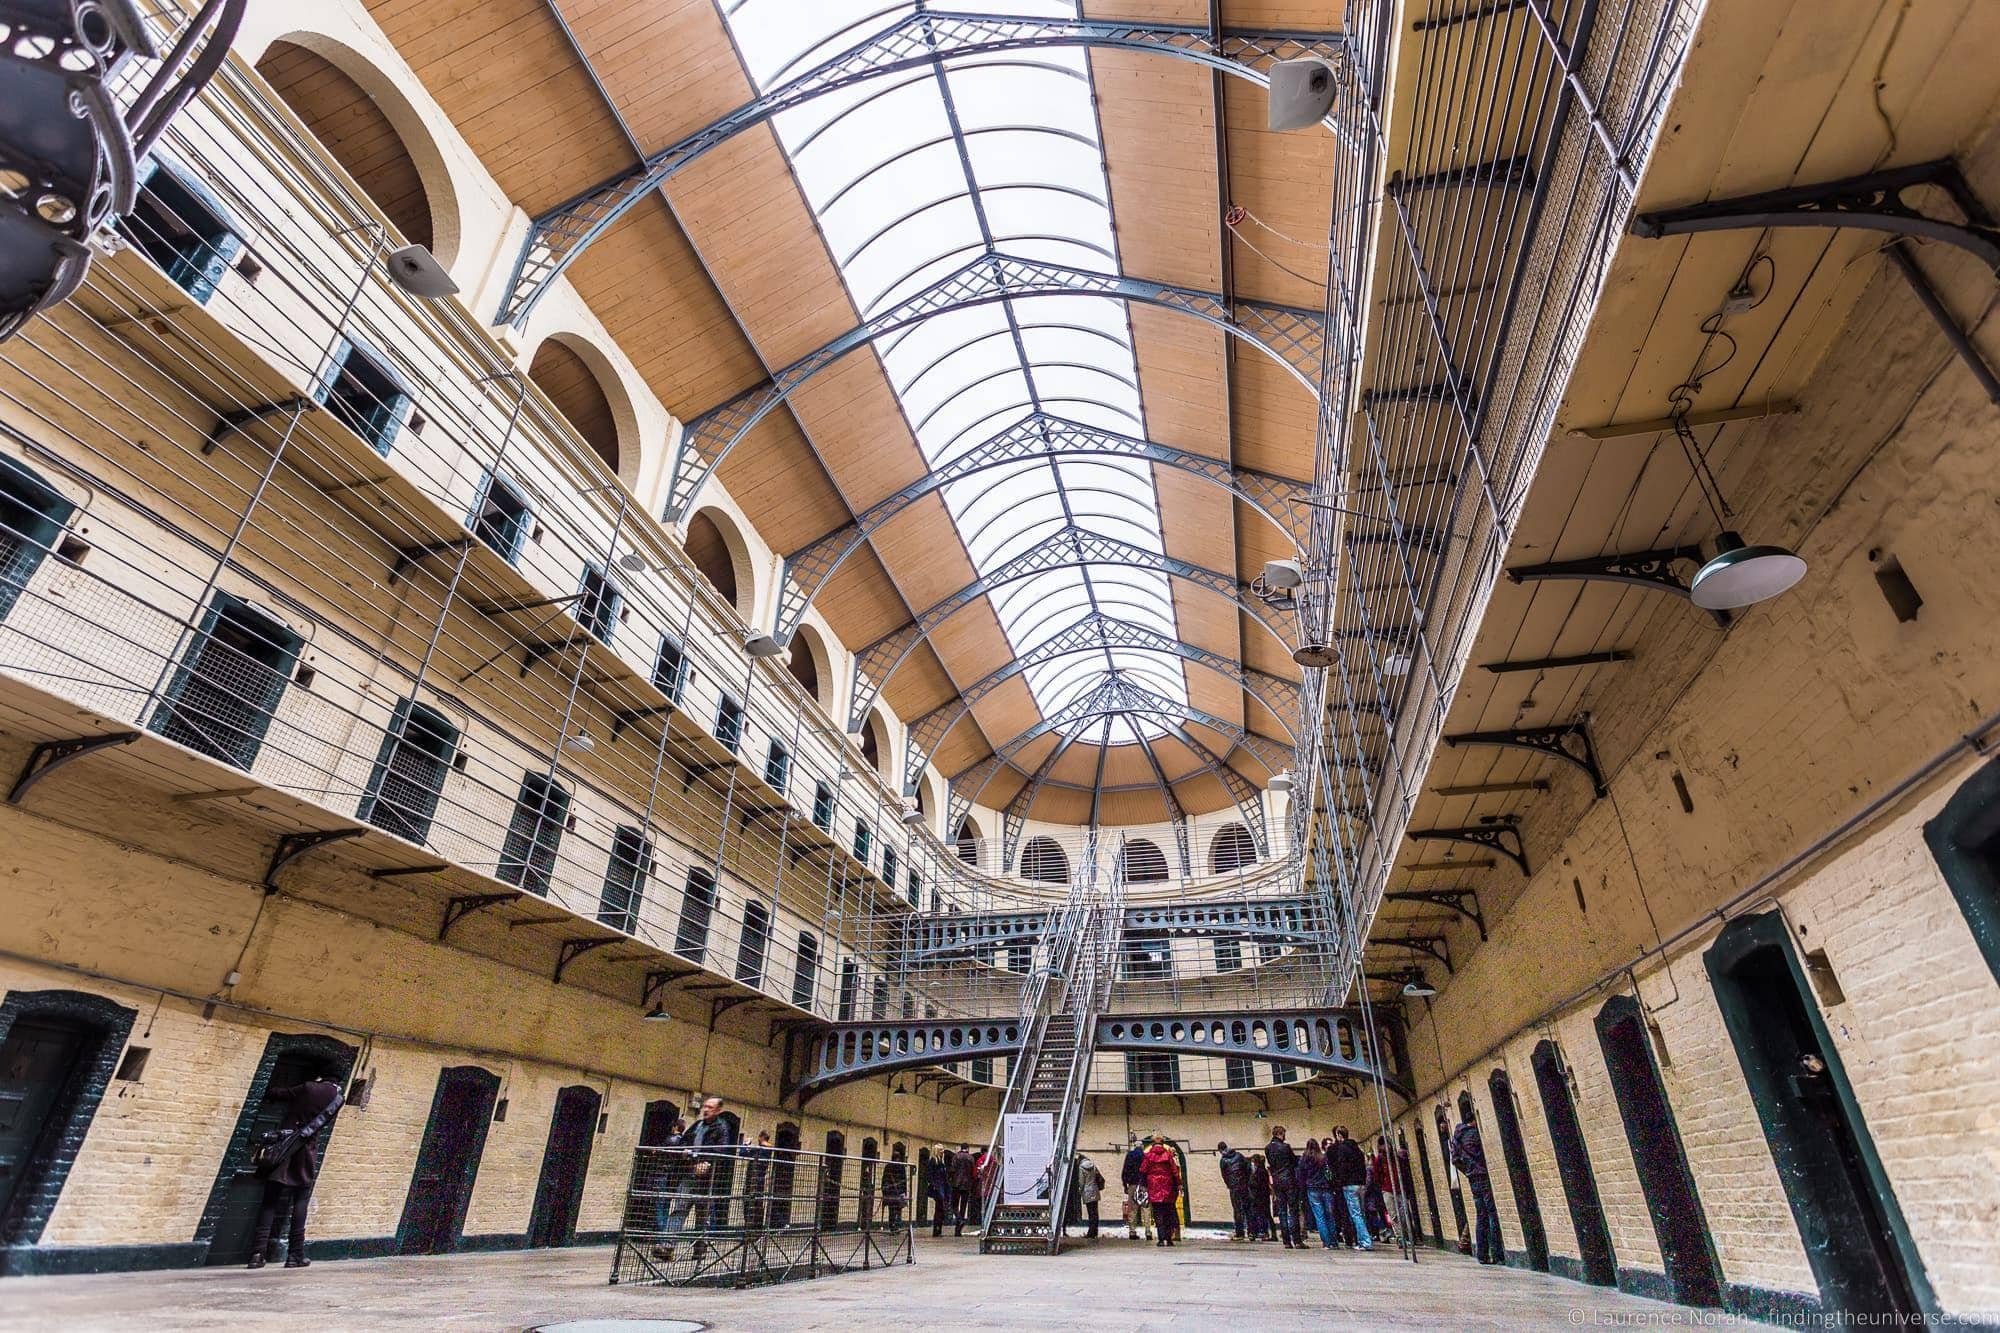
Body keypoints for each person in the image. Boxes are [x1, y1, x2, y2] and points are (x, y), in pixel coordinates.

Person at [247, 1065, 344, 1269]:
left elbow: (281, 1093)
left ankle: (257, 1254)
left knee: (269, 1202)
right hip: (305, 1152)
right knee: (300, 1203)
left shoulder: (308, 1087)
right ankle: (295, 1255)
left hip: (283, 1149)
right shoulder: (337, 1099)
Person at [1452, 1092, 1504, 1265]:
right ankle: (1496, 1252)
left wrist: (1467, 1171)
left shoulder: (1457, 1138)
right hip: (1482, 1176)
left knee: (1480, 1215)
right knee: (1491, 1214)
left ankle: (1482, 1254)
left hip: (1472, 1178)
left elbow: (1455, 1160)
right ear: (1474, 1121)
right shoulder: (1474, 1134)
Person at [685, 1095, 741, 1235]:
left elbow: (721, 1149)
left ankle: (700, 1249)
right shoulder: (697, 1125)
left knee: (702, 1215)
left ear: (718, 1110)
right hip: (691, 1173)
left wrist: (708, 1163)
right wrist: (684, 1151)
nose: (706, 1110)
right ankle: (667, 1245)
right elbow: (685, 1140)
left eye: (710, 1107)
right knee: (679, 1209)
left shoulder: (721, 1128)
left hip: (707, 1179)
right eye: (705, 1106)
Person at [1329, 1126, 1373, 1251]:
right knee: (1361, 1213)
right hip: (1360, 1184)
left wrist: (1340, 1181)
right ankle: (1363, 1239)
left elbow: (1343, 1167)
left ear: (1339, 1135)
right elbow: (1362, 1166)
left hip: (1349, 1184)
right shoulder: (1357, 1148)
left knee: (1355, 1214)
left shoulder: (1342, 1149)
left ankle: (1365, 1242)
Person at [1140, 1134, 1181, 1247]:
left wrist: (1143, 1185)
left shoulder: (1148, 1156)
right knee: (1168, 1213)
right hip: (1167, 1186)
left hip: (1153, 1186)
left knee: (1158, 1214)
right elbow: (1175, 1172)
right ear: (1163, 1143)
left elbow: (1143, 1171)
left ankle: (1161, 1239)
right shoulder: (1168, 1155)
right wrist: (1178, 1184)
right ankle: (1169, 1238)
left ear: (1153, 1143)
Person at [1264, 1126, 1302, 1248]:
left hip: (1277, 1181)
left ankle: (1286, 1241)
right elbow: (1294, 1162)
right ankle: (1297, 1240)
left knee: (1282, 1211)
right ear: (1280, 1134)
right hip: (1289, 1180)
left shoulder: (1268, 1148)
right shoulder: (1285, 1147)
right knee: (1293, 1210)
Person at [1300, 1138, 1339, 1249]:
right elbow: (1329, 1173)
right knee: (1330, 1216)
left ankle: (1326, 1243)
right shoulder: (1323, 1157)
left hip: (1312, 1189)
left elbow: (1301, 1175)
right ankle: (1334, 1242)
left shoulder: (1304, 1159)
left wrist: (1302, 1191)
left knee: (1319, 1217)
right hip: (1326, 1189)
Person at [1121, 1135, 1153, 1240]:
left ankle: (1132, 1231)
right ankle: (1148, 1232)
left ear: (1134, 1146)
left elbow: (1124, 1171)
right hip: (1144, 1185)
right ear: (1142, 1147)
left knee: (1132, 1209)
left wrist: (1125, 1184)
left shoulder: (1129, 1156)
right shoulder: (1146, 1156)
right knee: (1146, 1208)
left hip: (1133, 1185)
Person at [1218, 1141, 1251, 1240]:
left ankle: (1240, 1233)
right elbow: (1248, 1167)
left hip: (1234, 1187)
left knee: (1237, 1209)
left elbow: (1224, 1175)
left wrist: (1229, 1185)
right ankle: (1252, 1231)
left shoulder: (1223, 1160)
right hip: (1243, 1185)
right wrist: (1246, 1179)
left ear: (1220, 1150)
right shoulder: (1239, 1155)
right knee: (1247, 1208)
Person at [742, 1130, 773, 1229]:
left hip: (752, 1179)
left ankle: (749, 1226)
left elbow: (742, 1153)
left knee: (748, 1202)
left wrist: (746, 1144)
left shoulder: (758, 1149)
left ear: (761, 1137)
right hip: (761, 1179)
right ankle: (757, 1228)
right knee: (758, 1203)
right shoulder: (769, 1150)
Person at [1366, 1137, 1395, 1242]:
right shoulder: (1380, 1160)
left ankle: (1385, 1232)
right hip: (1383, 1190)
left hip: (1379, 1192)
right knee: (1388, 1213)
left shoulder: (1373, 1165)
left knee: (1383, 1214)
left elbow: (1373, 1179)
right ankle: (1394, 1233)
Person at [1074, 1154, 1106, 1239]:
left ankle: (1090, 1233)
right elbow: (1098, 1177)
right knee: (1095, 1212)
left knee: (1090, 1212)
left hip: (1087, 1191)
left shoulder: (1081, 1167)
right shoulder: (1093, 1165)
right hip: (1094, 1190)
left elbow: (1081, 1182)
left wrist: (1080, 1191)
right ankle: (1095, 1231)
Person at [949, 1143, 977, 1235]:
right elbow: (973, 1172)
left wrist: (950, 1180)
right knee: (963, 1207)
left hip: (956, 1184)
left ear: (961, 1148)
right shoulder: (971, 1158)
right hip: (967, 1185)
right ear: (968, 1148)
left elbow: (952, 1170)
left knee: (954, 1205)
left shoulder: (956, 1157)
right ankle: (958, 1231)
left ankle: (959, 1219)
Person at [926, 1144, 953, 1237]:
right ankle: (936, 1229)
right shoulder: (933, 1161)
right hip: (938, 1188)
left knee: (940, 1209)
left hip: (942, 1187)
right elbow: (929, 1175)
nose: (943, 1152)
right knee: (939, 1208)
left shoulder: (941, 1162)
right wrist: (934, 1185)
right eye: (941, 1150)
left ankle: (938, 1229)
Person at [883, 1142, 909, 1231]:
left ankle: (893, 1226)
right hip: (898, 1192)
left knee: (892, 1210)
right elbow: (904, 1180)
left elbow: (884, 1180)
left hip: (891, 1192)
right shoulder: (901, 1167)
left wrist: (885, 1192)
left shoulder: (888, 1167)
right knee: (898, 1210)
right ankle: (896, 1226)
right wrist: (904, 1192)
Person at [1247, 1154, 1273, 1240]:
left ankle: (1261, 1232)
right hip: (1263, 1196)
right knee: (1266, 1214)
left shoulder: (1259, 1172)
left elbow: (1255, 1184)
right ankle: (1267, 1232)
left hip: (1258, 1196)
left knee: (1259, 1214)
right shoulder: (1263, 1171)